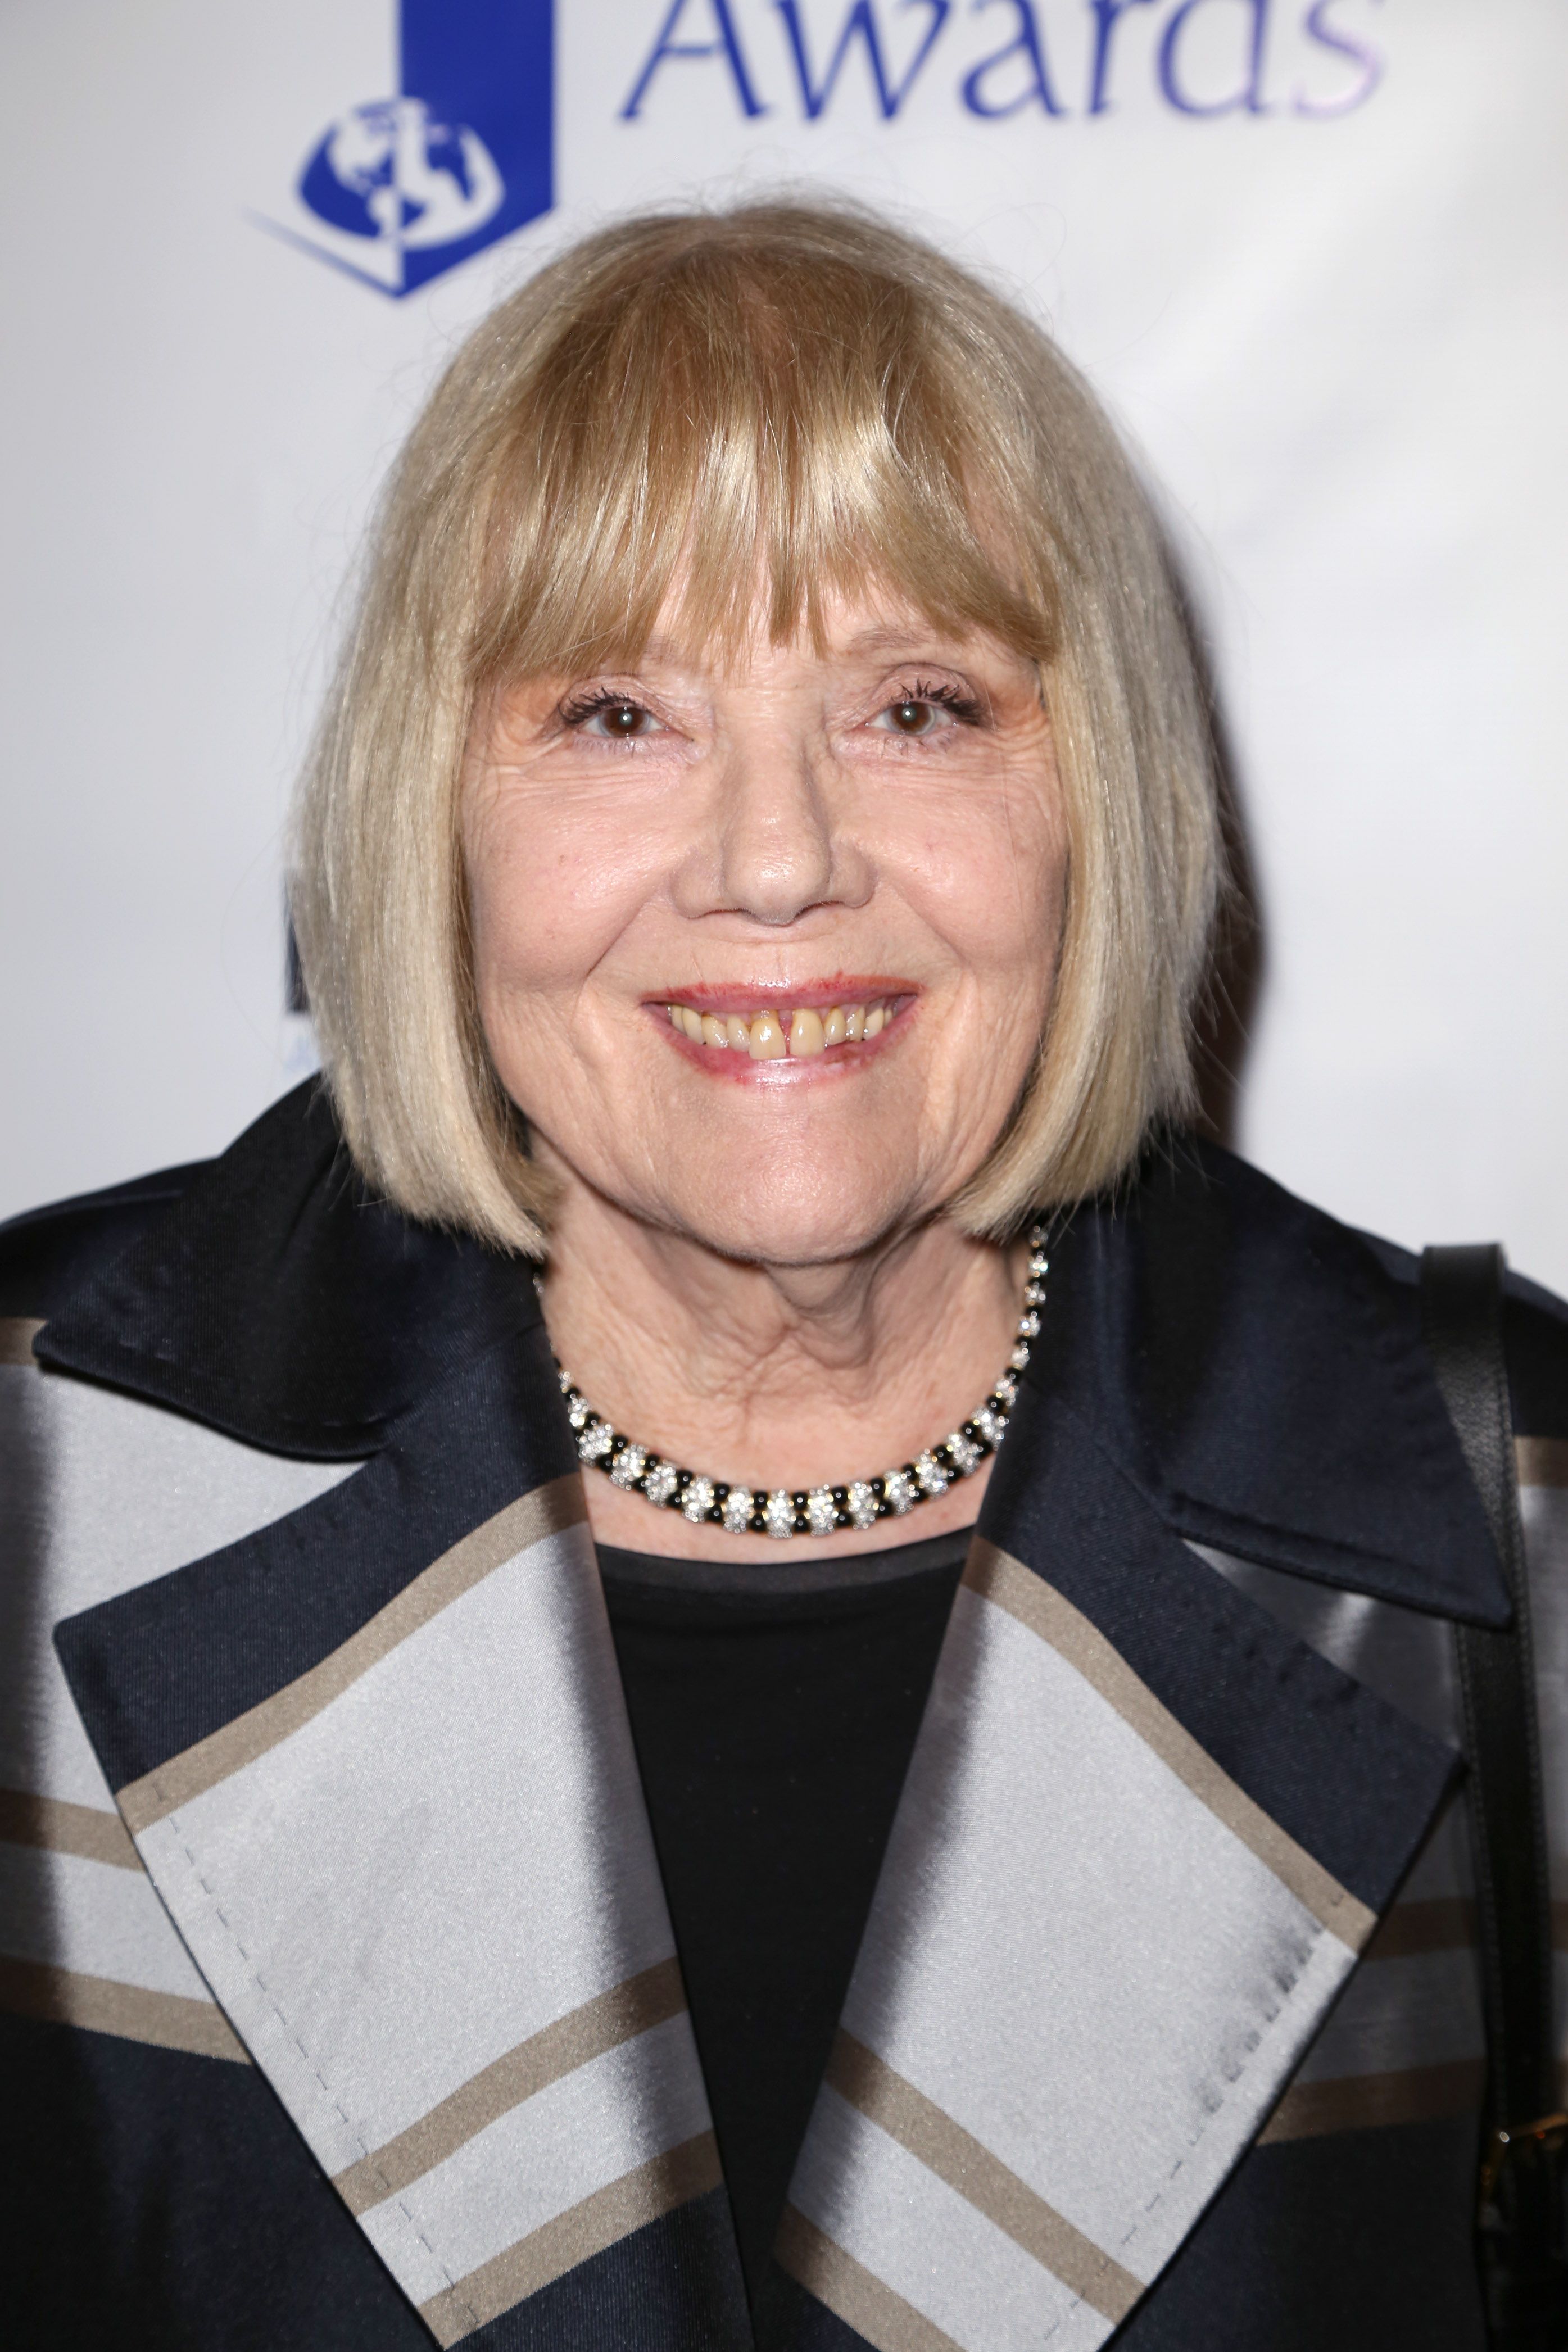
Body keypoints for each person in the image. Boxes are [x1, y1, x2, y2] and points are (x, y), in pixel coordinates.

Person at [1, 201, 1564, 2352]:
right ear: (427, 813)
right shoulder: (42, 1482)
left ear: (1098, 799)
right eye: (615, 711)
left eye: (920, 706)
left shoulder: (1512, 1516)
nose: (775, 859)